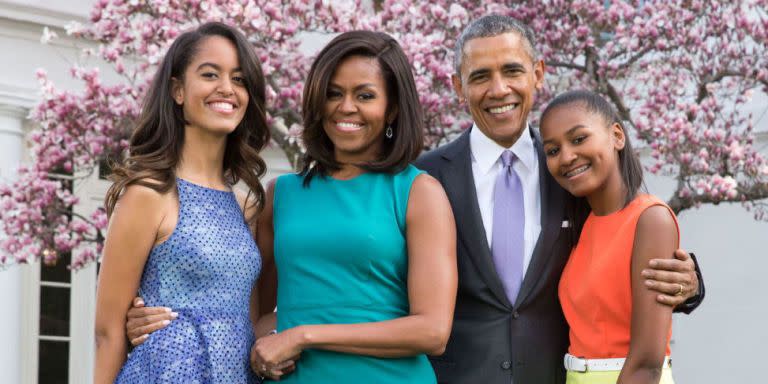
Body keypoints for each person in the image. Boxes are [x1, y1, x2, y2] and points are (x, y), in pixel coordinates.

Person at [413, 15, 704, 383]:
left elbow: (624, 235)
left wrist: (688, 286)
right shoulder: (425, 178)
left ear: (538, 74)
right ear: (458, 87)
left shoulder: (576, 173)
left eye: (512, 71)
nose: (499, 89)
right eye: (481, 76)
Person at [248, 30, 457, 383]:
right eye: (333, 94)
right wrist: (262, 343)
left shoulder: (419, 192)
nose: (346, 107)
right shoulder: (280, 194)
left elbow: (433, 331)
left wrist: (303, 334)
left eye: (365, 95)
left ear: (391, 109)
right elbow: (253, 307)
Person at [94, 22, 269, 383]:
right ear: (177, 89)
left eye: (239, 79)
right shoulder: (148, 194)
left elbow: (249, 322)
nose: (227, 89)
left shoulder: (246, 208)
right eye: (210, 74)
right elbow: (108, 333)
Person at [540, 90, 678, 383]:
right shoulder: (581, 225)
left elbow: (646, 363)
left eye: (578, 139)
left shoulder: (650, 218)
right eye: (552, 150)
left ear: (617, 136)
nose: (566, 157)